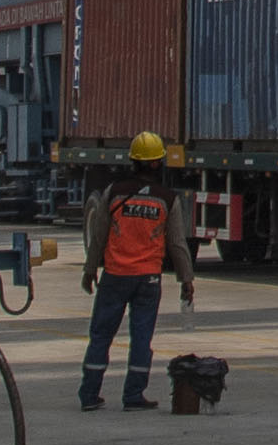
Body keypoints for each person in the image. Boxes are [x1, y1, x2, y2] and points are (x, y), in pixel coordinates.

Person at [81, 132, 196, 411]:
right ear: (159, 163)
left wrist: (89, 269)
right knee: (142, 339)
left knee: (101, 336)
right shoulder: (167, 199)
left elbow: (99, 236)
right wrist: (187, 280)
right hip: (148, 279)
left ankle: (89, 395)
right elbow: (177, 244)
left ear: (133, 161)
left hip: (115, 277)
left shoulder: (113, 193)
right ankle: (133, 396)